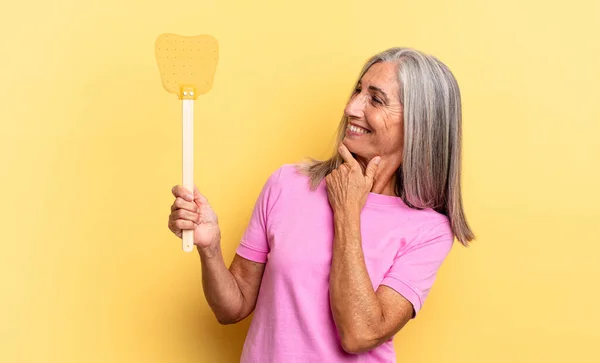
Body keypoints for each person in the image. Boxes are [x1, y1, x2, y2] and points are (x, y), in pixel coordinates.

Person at [167, 47, 475, 362]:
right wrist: (210, 248)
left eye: (376, 99)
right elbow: (232, 308)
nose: (351, 108)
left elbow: (360, 335)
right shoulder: (286, 184)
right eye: (357, 91)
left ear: (418, 122)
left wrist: (348, 212)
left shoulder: (430, 230)